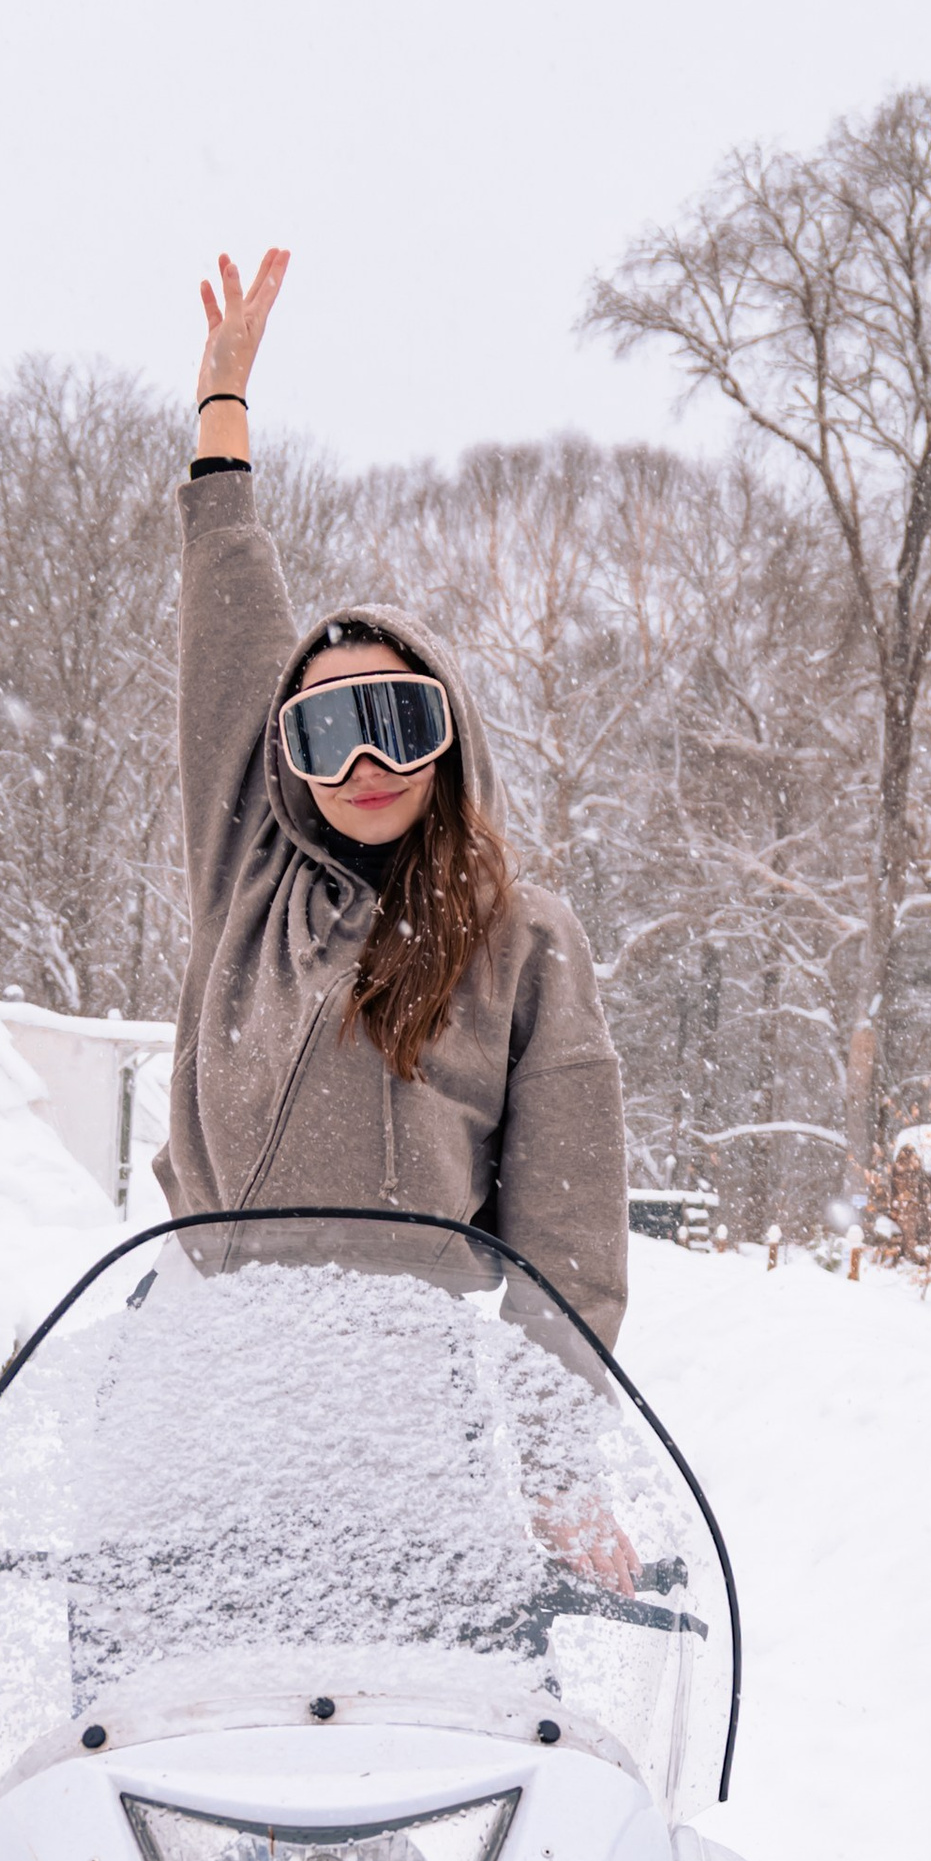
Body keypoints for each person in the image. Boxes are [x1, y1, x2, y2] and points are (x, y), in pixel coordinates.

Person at [156, 248, 630, 1349]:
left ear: (449, 738)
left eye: (397, 723)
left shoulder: (524, 942)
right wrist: (221, 407)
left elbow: (570, 1240)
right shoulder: (249, 891)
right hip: (208, 1348)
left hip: (409, 1367)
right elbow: (229, 625)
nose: (364, 763)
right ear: (287, 760)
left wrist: (560, 1465)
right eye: (326, 731)